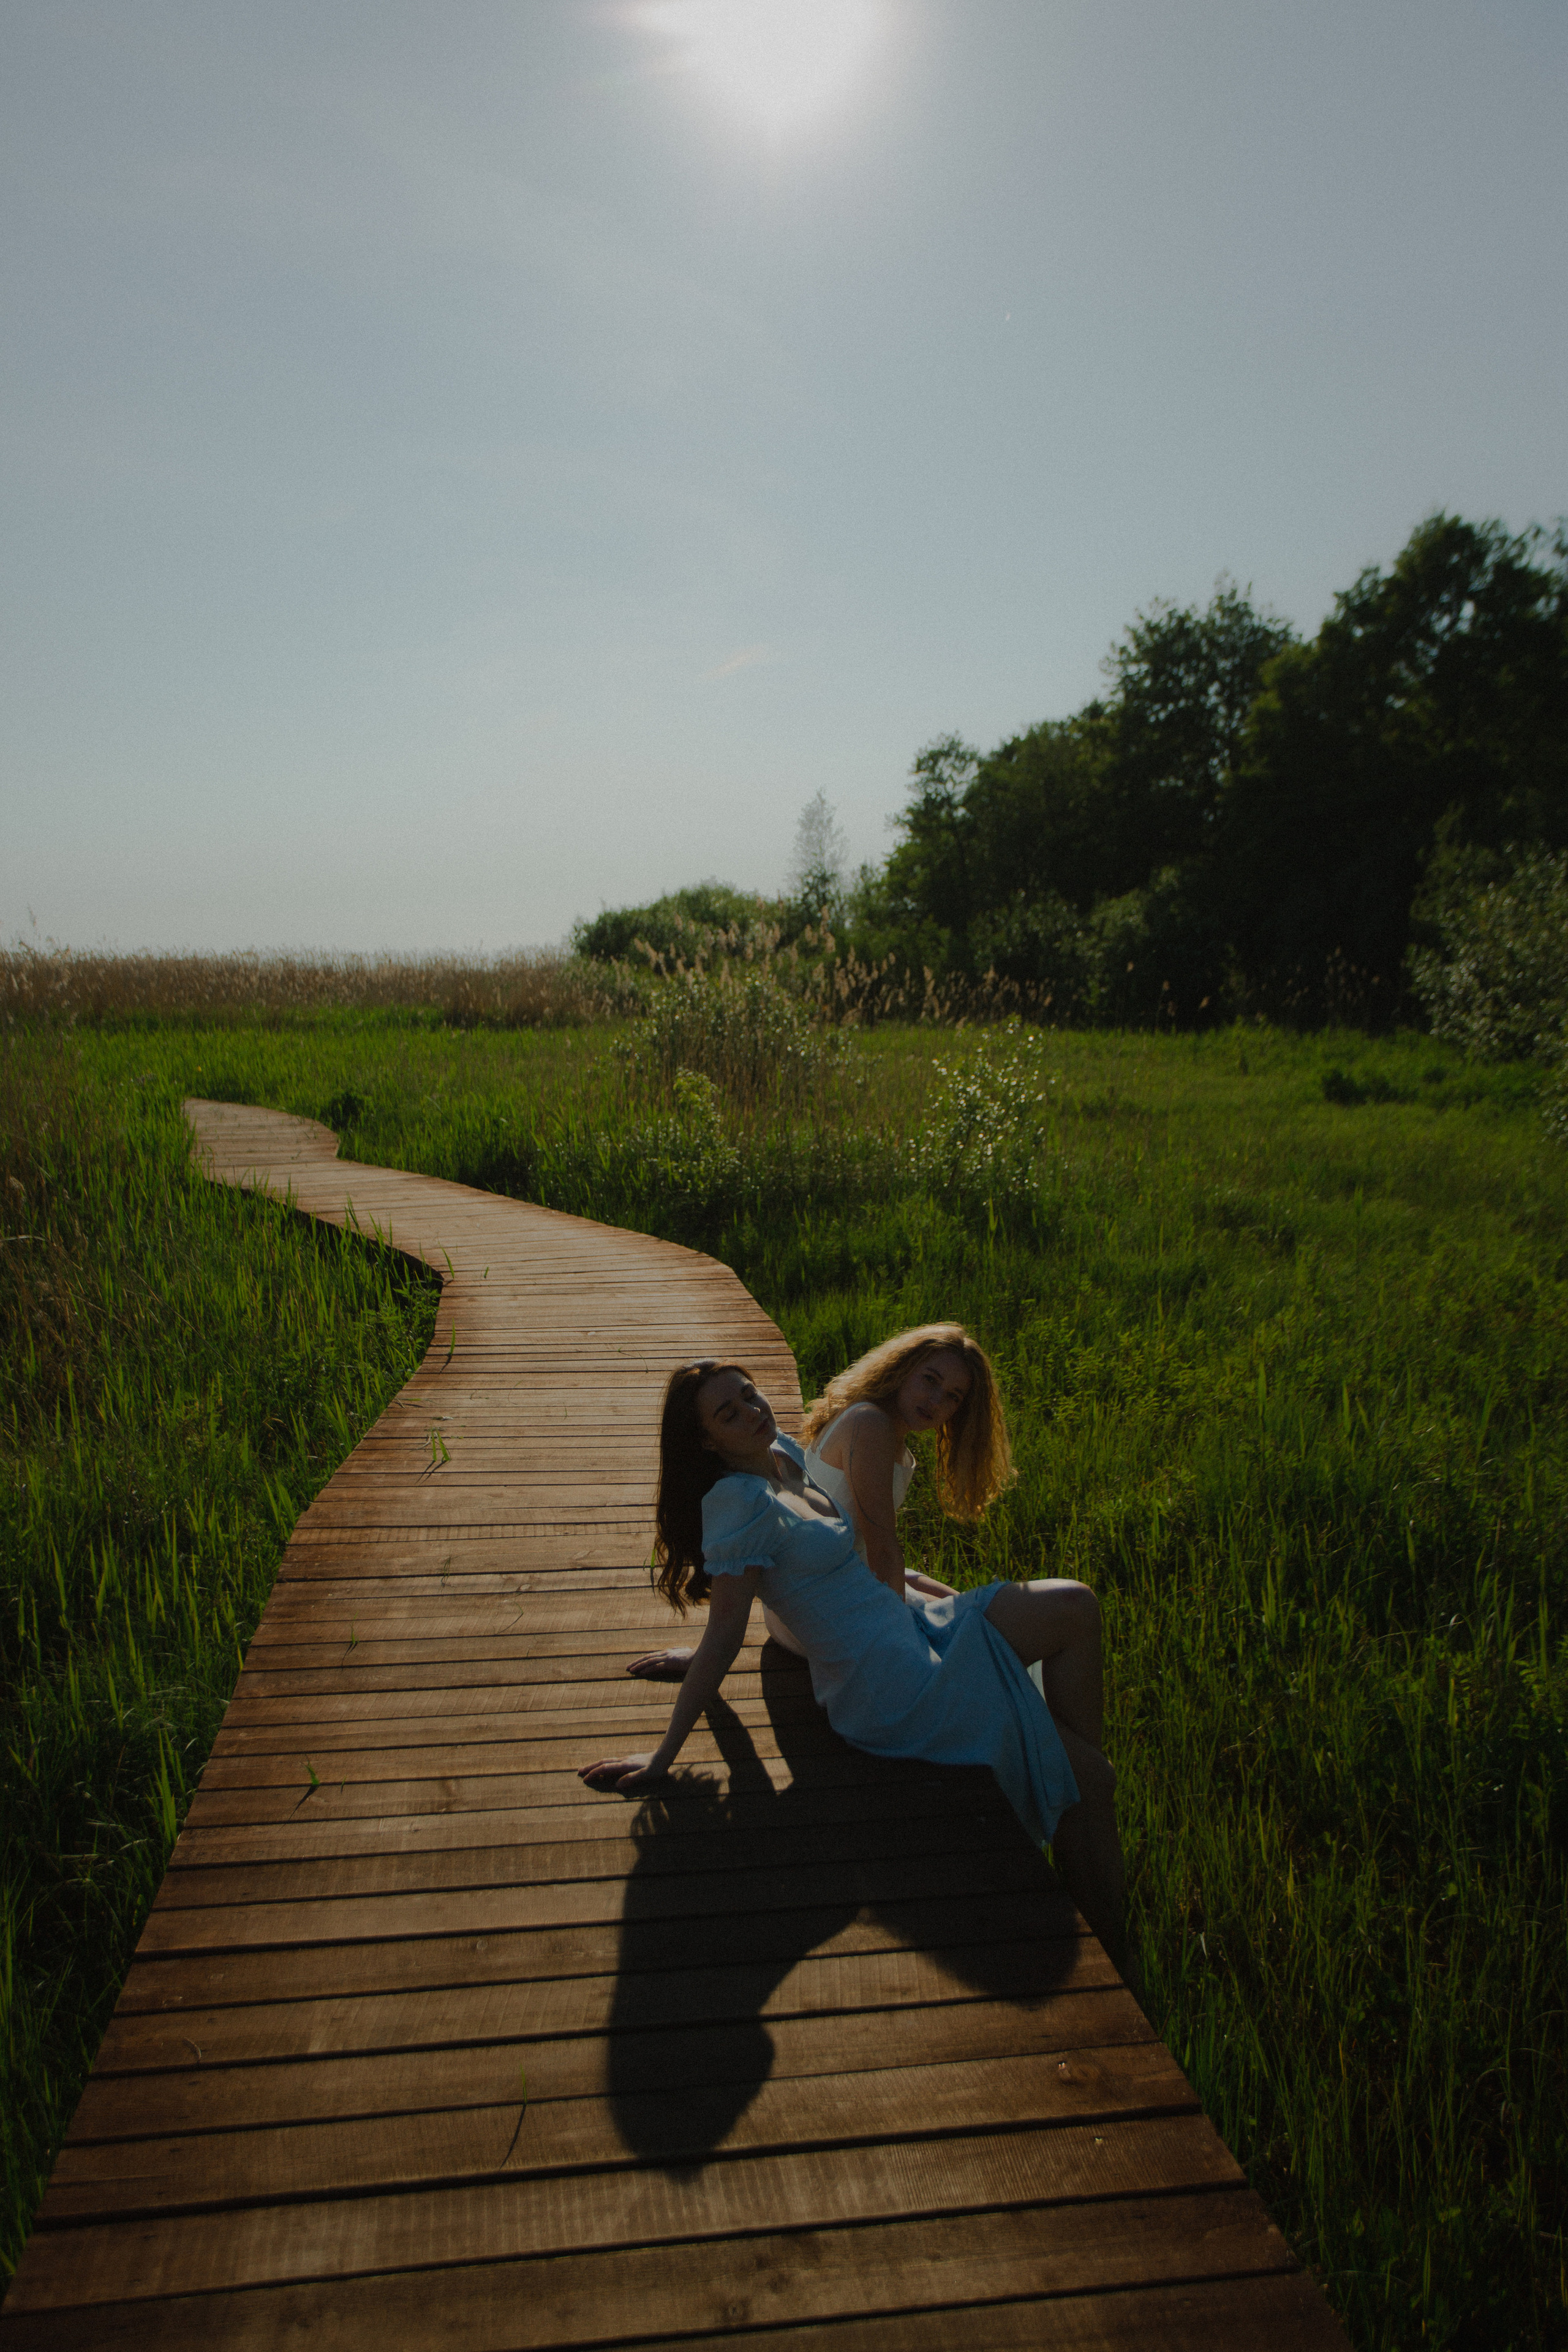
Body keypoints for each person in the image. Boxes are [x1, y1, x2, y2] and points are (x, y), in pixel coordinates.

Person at [579, 1359, 1129, 1972]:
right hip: (889, 1683)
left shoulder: (780, 1452)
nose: (752, 1412)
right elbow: (727, 1632)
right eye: (727, 1413)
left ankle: (1072, 1791)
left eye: (749, 1395)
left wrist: (933, 1594)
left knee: (1076, 1604)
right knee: (1096, 1779)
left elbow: (846, 1566)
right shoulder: (736, 1502)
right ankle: (1113, 1941)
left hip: (909, 1628)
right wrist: (662, 1756)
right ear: (706, 1439)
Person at [629, 1322, 1107, 1757]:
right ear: (902, 1368)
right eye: (930, 1379)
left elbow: (786, 1553)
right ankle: (1074, 1754)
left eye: (954, 1397)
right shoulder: (869, 1427)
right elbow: (878, 1551)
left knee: (975, 1610)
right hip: (843, 1629)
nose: (936, 1401)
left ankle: (1070, 1753)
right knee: (999, 1632)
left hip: (844, 1597)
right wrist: (907, 1643)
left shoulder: (796, 1448)